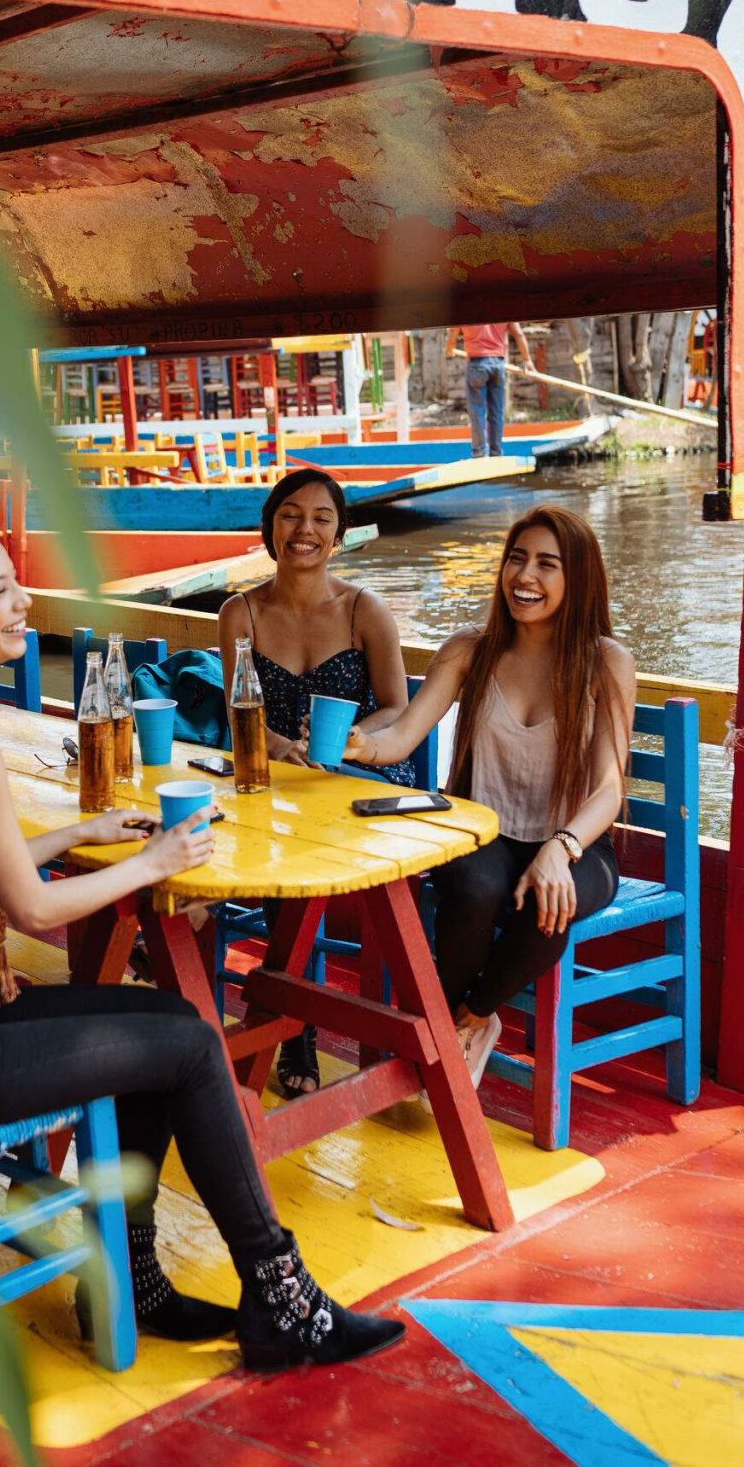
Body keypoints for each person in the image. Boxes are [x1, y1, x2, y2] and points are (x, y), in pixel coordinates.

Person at [0, 515, 404, 1369]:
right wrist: (154, 857)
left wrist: (81, 830)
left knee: (157, 1024)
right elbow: (37, 910)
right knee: (190, 1043)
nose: (22, 600)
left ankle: (132, 1274)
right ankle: (279, 1292)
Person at [342, 504, 634, 1084]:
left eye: (547, 565)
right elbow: (400, 736)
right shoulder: (469, 650)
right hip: (484, 832)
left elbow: (608, 786)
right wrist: (359, 746)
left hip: (579, 843)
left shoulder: (606, 661)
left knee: (552, 900)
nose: (525, 577)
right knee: (473, 885)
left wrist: (562, 846)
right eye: (517, 559)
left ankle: (466, 1020)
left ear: (578, 578)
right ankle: (460, 1029)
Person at [215, 467, 413, 1096]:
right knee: (269, 827)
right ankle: (290, 1019)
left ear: (339, 533)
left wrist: (356, 739)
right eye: (291, 515)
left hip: (357, 776)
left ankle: (283, 1014)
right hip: (277, 778)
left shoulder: (365, 610)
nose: (305, 529)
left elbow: (397, 709)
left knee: (285, 833)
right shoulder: (238, 612)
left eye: (322, 518)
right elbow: (236, 711)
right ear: (271, 527)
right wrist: (275, 745)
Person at [446, 321, 533, 457]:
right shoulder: (501, 306)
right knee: (496, 413)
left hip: (477, 364)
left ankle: (480, 453)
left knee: (477, 412)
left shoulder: (465, 308)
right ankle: (496, 452)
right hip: (498, 365)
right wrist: (527, 360)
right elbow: (519, 334)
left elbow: (453, 332)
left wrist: (450, 348)